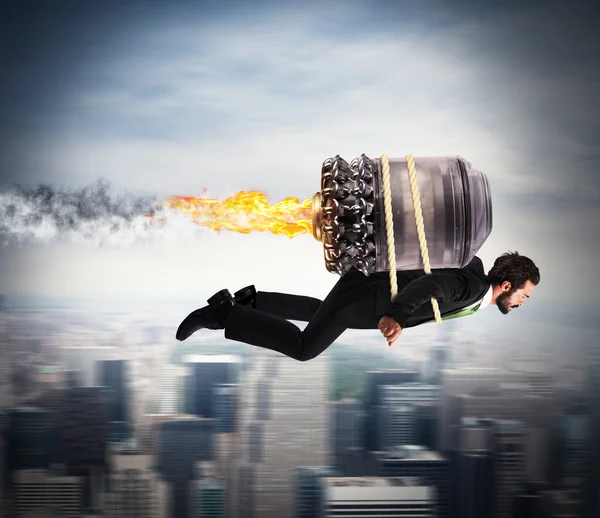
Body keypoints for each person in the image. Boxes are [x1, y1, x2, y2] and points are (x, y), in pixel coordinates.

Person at [175, 251, 540, 360]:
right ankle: (225, 314)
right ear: (506, 285)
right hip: (367, 298)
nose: (521, 302)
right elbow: (431, 285)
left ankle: (253, 301)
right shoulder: (472, 286)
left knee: (322, 310)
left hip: (364, 290)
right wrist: (396, 318)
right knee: (305, 348)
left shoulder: (472, 271)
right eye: (523, 295)